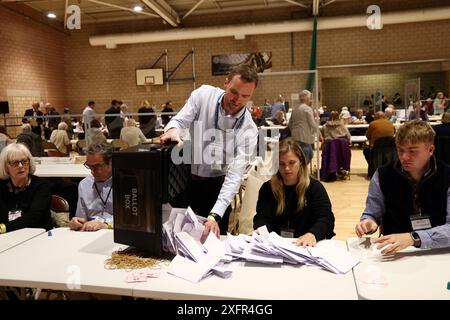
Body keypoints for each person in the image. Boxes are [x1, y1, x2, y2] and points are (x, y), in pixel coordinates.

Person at [160, 64, 259, 239]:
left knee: (211, 243)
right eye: (234, 92)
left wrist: (215, 214)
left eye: (245, 96)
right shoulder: (204, 95)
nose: (238, 100)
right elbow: (180, 120)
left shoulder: (249, 129)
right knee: (175, 237)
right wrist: (173, 129)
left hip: (216, 187)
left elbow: (235, 176)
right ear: (226, 83)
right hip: (184, 180)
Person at [355, 120, 450, 255]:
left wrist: (413, 238)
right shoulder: (382, 175)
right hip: (395, 251)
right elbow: (372, 213)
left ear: (430, 150)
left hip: (439, 251)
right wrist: (368, 222)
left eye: (412, 151)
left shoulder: (447, 175)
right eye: (400, 150)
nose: (404, 157)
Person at [253, 138, 335, 246]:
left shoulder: (315, 188)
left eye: (291, 163)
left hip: (304, 245)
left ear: (301, 161)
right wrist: (261, 231)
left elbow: (326, 219)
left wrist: (313, 234)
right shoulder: (267, 188)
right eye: (281, 164)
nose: (287, 168)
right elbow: (261, 217)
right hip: (275, 246)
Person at [0, 143, 52, 233]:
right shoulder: (1, 186)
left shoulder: (42, 186)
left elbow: (32, 218)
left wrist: (2, 228)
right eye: (15, 162)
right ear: (5, 166)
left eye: (24, 161)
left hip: (37, 236)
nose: (21, 166)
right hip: (6, 238)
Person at [69, 143, 113, 231]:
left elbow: (131, 220)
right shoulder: (84, 184)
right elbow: (81, 218)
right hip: (90, 233)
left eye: (97, 166)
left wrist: (105, 225)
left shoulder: (127, 183)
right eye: (89, 166)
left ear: (111, 163)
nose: (92, 172)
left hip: (117, 233)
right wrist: (77, 222)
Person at [288, 89, 319, 165]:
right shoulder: (307, 109)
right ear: (306, 98)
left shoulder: (295, 109)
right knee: (307, 155)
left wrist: (293, 131)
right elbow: (312, 123)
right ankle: (301, 172)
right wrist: (319, 133)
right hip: (304, 136)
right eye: (309, 98)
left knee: (300, 155)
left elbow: (290, 123)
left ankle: (301, 171)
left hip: (295, 136)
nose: (310, 100)